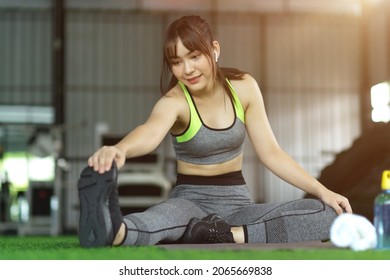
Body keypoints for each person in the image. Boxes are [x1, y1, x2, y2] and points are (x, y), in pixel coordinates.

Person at [77, 15, 352, 248]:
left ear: (215, 49)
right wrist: (119, 149)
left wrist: (322, 190)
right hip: (189, 204)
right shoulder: (175, 102)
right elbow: (149, 132)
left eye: (195, 56)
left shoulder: (244, 87)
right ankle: (112, 230)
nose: (187, 69)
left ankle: (227, 235)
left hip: (238, 206)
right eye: (176, 61)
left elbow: (272, 153)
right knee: (158, 221)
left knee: (328, 214)